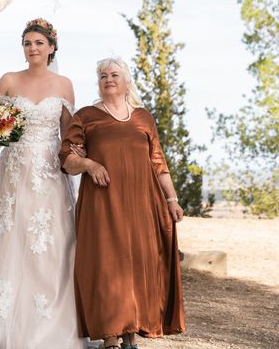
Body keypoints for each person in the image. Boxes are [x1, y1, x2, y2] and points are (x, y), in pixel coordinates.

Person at [59, 57, 185, 349]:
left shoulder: (142, 117)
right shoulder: (87, 116)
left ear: (127, 81)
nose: (108, 78)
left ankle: (130, 335)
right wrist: (90, 165)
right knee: (106, 266)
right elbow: (66, 158)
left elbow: (158, 163)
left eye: (115, 74)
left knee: (136, 265)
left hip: (142, 204)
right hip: (102, 204)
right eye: (102, 75)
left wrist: (172, 199)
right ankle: (110, 338)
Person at [0, 18, 86, 349]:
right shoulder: (8, 80)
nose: (33, 48)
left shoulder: (64, 84)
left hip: (51, 174)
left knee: (52, 246)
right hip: (14, 172)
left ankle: (53, 324)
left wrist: (80, 152)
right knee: (14, 241)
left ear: (52, 47)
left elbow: (69, 134)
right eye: (27, 42)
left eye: (39, 42)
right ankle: (8, 324)